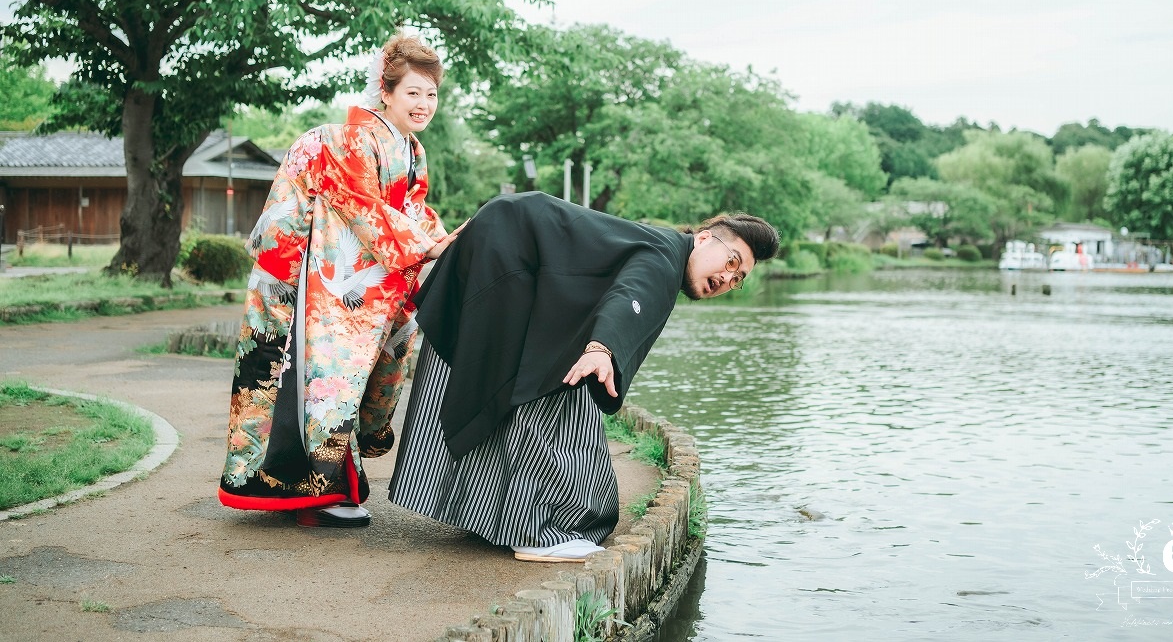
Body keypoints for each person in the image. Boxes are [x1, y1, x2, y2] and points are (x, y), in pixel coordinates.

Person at [388, 192, 779, 561]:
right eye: (731, 263)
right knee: (548, 405)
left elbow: (620, 288)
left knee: (534, 388)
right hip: (507, 253)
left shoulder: (665, 250)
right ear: (706, 239)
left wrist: (598, 347)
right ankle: (536, 535)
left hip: (506, 244)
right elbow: (631, 293)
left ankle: (494, 517)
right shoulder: (663, 259)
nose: (729, 280)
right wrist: (601, 348)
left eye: (739, 278)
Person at [219, 33, 463, 528]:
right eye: (413, 92)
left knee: (350, 370)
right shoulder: (353, 138)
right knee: (317, 373)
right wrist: (428, 246)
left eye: (431, 94)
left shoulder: (410, 149)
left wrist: (444, 239)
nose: (424, 104)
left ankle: (324, 485)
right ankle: (312, 492)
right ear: (386, 92)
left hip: (345, 272)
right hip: (305, 274)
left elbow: (412, 209)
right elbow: (362, 207)